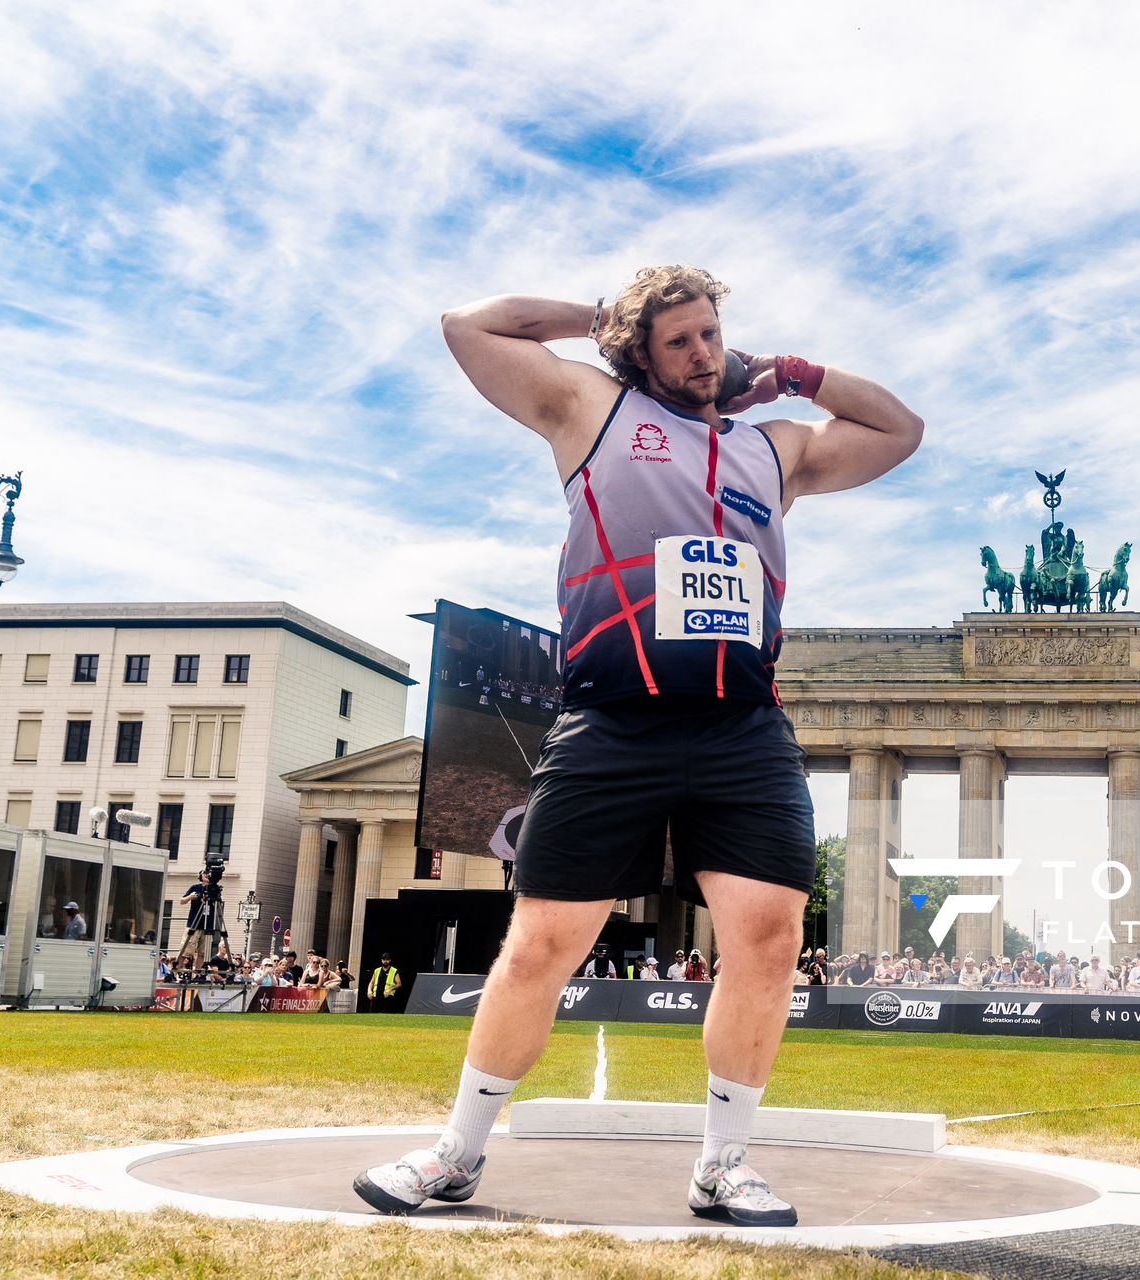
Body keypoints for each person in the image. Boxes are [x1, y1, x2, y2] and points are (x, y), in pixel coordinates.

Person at [353, 265, 921, 1228]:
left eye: (711, 335)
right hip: (612, 721)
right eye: (679, 341)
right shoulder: (592, 410)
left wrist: (794, 373)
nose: (703, 354)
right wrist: (603, 320)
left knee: (769, 940)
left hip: (741, 727)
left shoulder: (773, 448)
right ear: (640, 354)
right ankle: (455, 1155)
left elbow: (899, 431)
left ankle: (723, 1168)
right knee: (541, 944)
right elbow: (467, 325)